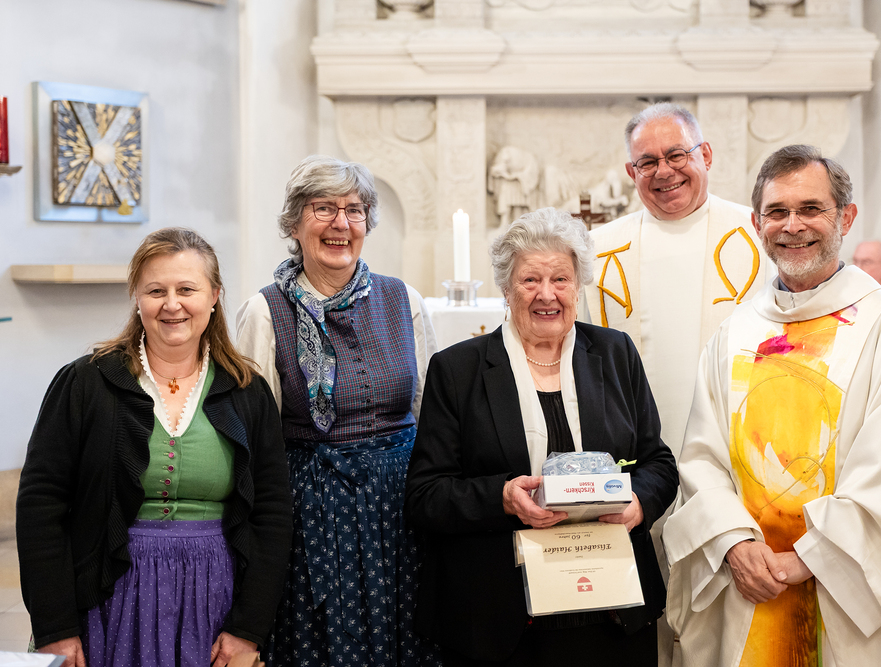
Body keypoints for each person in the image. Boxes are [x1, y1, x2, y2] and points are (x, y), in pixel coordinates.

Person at [663, 145, 881, 666]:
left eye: (811, 209)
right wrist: (734, 544)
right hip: (749, 582)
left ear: (845, 218)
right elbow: (701, 457)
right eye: (777, 212)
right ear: (757, 223)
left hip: (846, 590)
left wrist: (808, 558)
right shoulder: (735, 332)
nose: (792, 226)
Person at [406, 207, 678, 666]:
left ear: (579, 285)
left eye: (561, 279)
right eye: (530, 280)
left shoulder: (615, 353)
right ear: (506, 288)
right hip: (502, 616)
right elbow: (425, 495)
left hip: (611, 608)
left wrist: (637, 503)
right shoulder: (458, 370)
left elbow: (659, 463)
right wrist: (503, 498)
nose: (546, 294)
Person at [17, 227, 293, 667]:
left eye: (187, 289)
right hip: (105, 598)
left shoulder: (246, 390)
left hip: (213, 598)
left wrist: (249, 627)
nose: (172, 304)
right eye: (156, 290)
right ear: (137, 297)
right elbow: (40, 506)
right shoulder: (85, 382)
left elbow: (273, 513)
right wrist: (55, 627)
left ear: (214, 295)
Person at [581, 101, 771, 664]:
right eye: (647, 162)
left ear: (705, 154)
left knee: (725, 622)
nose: (664, 171)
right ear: (630, 172)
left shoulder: (759, 232)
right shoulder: (599, 248)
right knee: (647, 617)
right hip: (638, 464)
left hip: (739, 462)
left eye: (677, 154)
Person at [235, 155, 438, 667]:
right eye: (323, 208)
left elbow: (431, 415)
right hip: (315, 514)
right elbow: (256, 440)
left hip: (402, 512)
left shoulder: (405, 300)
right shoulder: (264, 312)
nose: (340, 223)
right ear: (294, 224)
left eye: (354, 210)